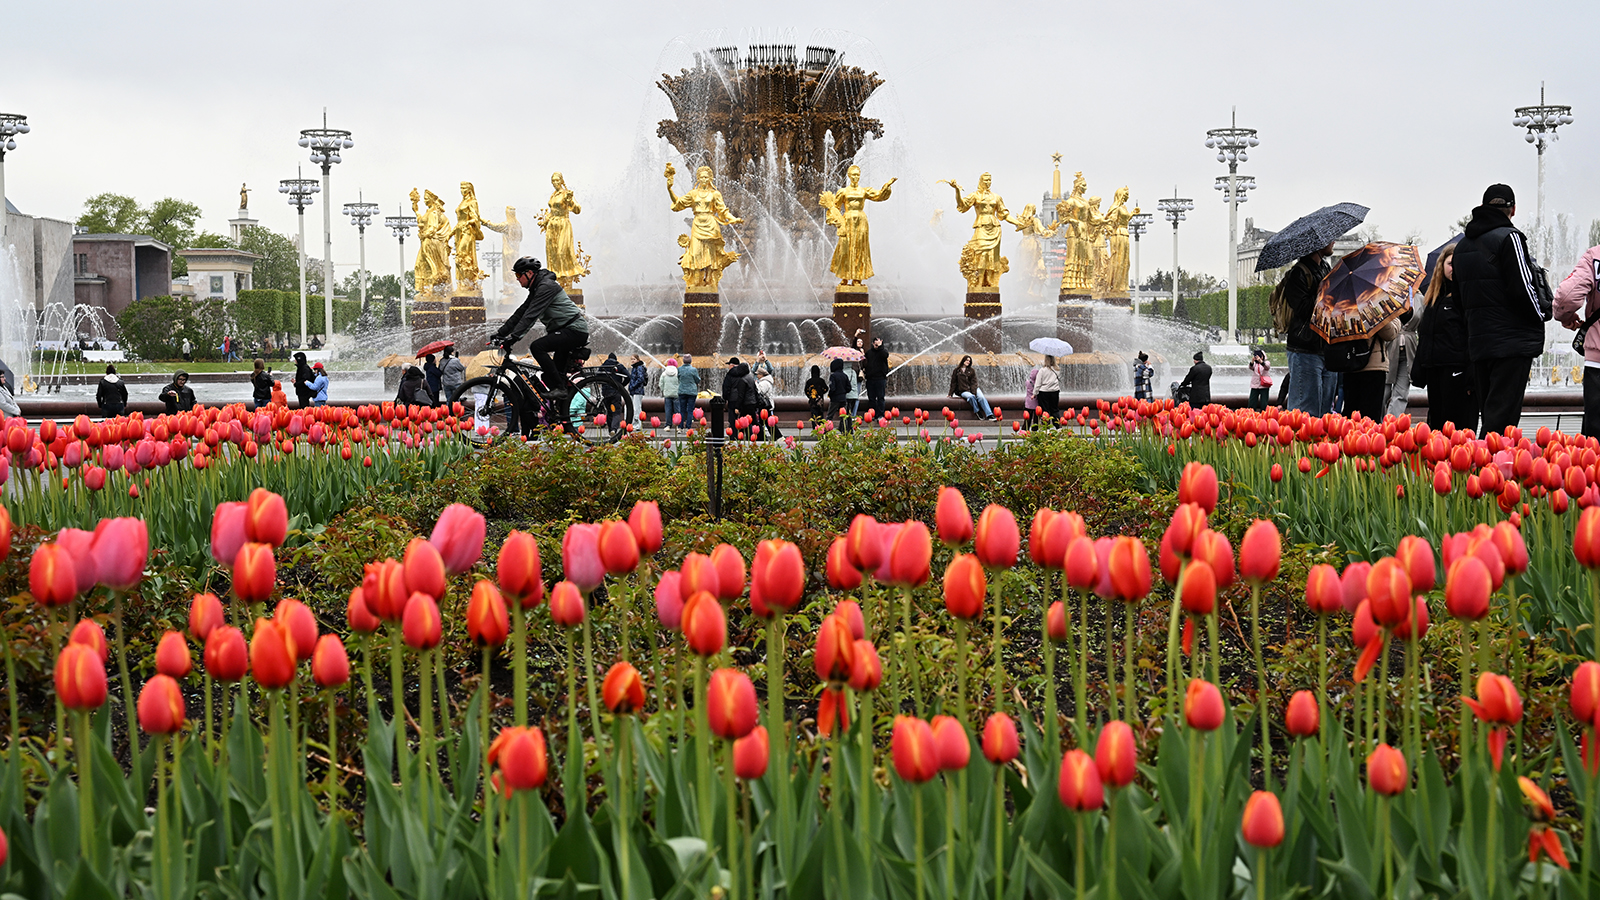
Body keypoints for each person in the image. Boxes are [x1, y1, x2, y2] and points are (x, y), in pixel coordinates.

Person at [1457, 183, 1550, 435]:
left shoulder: (1463, 247)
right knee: (1503, 420)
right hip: (1511, 342)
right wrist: (1543, 314)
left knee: (1490, 413)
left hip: (1479, 343)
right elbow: (1523, 287)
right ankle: (1494, 470)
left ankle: (1481, 466)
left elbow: (1460, 299)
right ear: (1514, 209)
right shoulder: (1510, 238)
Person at [491, 257, 590, 394]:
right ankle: (560, 407)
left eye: (519, 275)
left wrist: (513, 338)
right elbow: (521, 313)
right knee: (551, 378)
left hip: (574, 331)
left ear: (530, 273)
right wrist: (501, 333)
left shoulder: (546, 287)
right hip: (565, 331)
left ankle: (560, 389)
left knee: (537, 347)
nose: (517, 279)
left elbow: (530, 316)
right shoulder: (537, 288)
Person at [1413, 244, 1477, 431]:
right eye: (1450, 263)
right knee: (1437, 425)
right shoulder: (1433, 298)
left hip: (1458, 371)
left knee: (1458, 426)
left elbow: (1473, 336)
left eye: (1458, 263)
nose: (1454, 268)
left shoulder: (1468, 296)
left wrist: (1471, 377)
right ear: (1441, 266)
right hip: (1435, 371)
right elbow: (1424, 335)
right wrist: (1420, 369)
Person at [1283, 243, 1338, 413]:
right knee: (1305, 412)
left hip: (1325, 348)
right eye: (1330, 239)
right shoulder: (1297, 273)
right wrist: (1324, 291)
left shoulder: (1325, 267)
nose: (1333, 241)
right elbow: (1304, 309)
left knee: (1324, 413)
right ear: (1318, 243)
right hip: (1304, 348)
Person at [1555, 243, 1600, 437]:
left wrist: (1566, 317)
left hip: (1598, 362)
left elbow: (1566, 297)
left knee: (1595, 442)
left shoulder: (1595, 256)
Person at [1342, 317, 1402, 419]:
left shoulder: (1345, 306)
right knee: (1370, 418)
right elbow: (1389, 334)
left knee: (1351, 416)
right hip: (1373, 366)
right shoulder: (1371, 308)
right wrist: (1396, 320)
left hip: (1350, 363)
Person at [1385, 298, 1421, 417]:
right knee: (1384, 391)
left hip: (1409, 350)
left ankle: (1391, 426)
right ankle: (1376, 425)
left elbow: (1422, 328)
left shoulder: (1420, 298)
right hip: (1388, 348)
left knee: (1401, 392)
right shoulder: (1387, 295)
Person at [948, 355, 993, 419]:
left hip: (974, 389)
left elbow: (974, 383)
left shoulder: (972, 370)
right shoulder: (956, 371)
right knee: (971, 397)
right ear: (963, 360)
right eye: (967, 360)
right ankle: (977, 411)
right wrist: (950, 394)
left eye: (969, 361)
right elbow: (953, 383)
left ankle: (989, 414)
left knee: (981, 398)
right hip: (963, 391)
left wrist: (974, 393)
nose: (968, 362)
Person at [721, 357, 756, 424]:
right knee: (745, 420)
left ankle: (734, 434)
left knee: (733, 420)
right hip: (743, 400)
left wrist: (725, 399)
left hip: (732, 400)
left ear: (732, 365)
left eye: (729, 365)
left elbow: (726, 388)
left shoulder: (729, 374)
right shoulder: (743, 374)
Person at [862, 333, 890, 415]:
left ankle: (880, 414)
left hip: (880, 379)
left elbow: (885, 355)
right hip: (870, 379)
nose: (876, 344)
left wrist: (880, 347)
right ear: (873, 343)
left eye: (878, 342)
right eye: (875, 342)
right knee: (871, 398)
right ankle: (872, 414)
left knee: (880, 397)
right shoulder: (869, 352)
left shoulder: (883, 351)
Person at [1034, 355, 1061, 423]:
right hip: (1055, 391)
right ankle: (1058, 427)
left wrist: (1034, 393)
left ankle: (1046, 427)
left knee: (1045, 410)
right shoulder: (1057, 369)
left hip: (1044, 392)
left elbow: (1038, 383)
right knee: (1055, 409)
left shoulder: (1042, 370)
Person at [828, 358, 853, 428]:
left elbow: (832, 388)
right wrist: (843, 392)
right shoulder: (844, 375)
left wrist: (830, 394)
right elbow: (849, 388)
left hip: (835, 399)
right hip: (843, 398)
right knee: (843, 416)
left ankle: (826, 430)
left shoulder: (833, 376)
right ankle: (843, 430)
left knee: (830, 415)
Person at [676, 353, 701, 424]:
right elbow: (697, 380)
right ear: (690, 361)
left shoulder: (679, 369)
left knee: (682, 410)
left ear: (683, 361)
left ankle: (680, 427)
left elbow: (678, 378)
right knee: (690, 410)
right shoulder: (693, 370)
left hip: (682, 391)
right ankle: (688, 427)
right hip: (692, 392)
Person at [627, 355, 648, 428]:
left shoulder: (639, 367)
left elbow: (640, 379)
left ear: (638, 360)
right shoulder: (635, 367)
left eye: (634, 359)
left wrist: (633, 386)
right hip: (634, 391)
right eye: (632, 359)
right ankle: (633, 424)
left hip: (638, 391)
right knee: (633, 408)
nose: (632, 360)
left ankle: (638, 425)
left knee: (637, 408)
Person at [660, 359, 680, 429]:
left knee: (668, 410)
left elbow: (661, 384)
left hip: (667, 394)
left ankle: (668, 425)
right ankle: (678, 426)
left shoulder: (664, 373)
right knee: (677, 411)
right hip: (676, 394)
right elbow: (680, 383)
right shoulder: (678, 373)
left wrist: (664, 390)